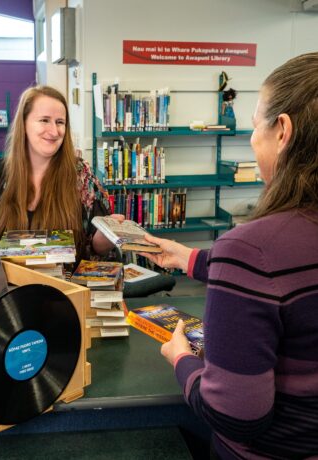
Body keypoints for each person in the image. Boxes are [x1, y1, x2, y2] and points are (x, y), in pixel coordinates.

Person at [141, 52, 318, 459]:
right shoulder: (253, 255)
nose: (252, 141)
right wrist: (191, 258)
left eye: (256, 126)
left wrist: (182, 360)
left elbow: (237, 415)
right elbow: (288, 279)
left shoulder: (252, 248)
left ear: (283, 131)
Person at [0, 85, 123, 259]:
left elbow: (97, 252)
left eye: (60, 122)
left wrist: (106, 237)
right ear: (23, 123)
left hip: (67, 285)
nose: (54, 131)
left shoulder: (82, 175)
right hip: (12, 286)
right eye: (44, 120)